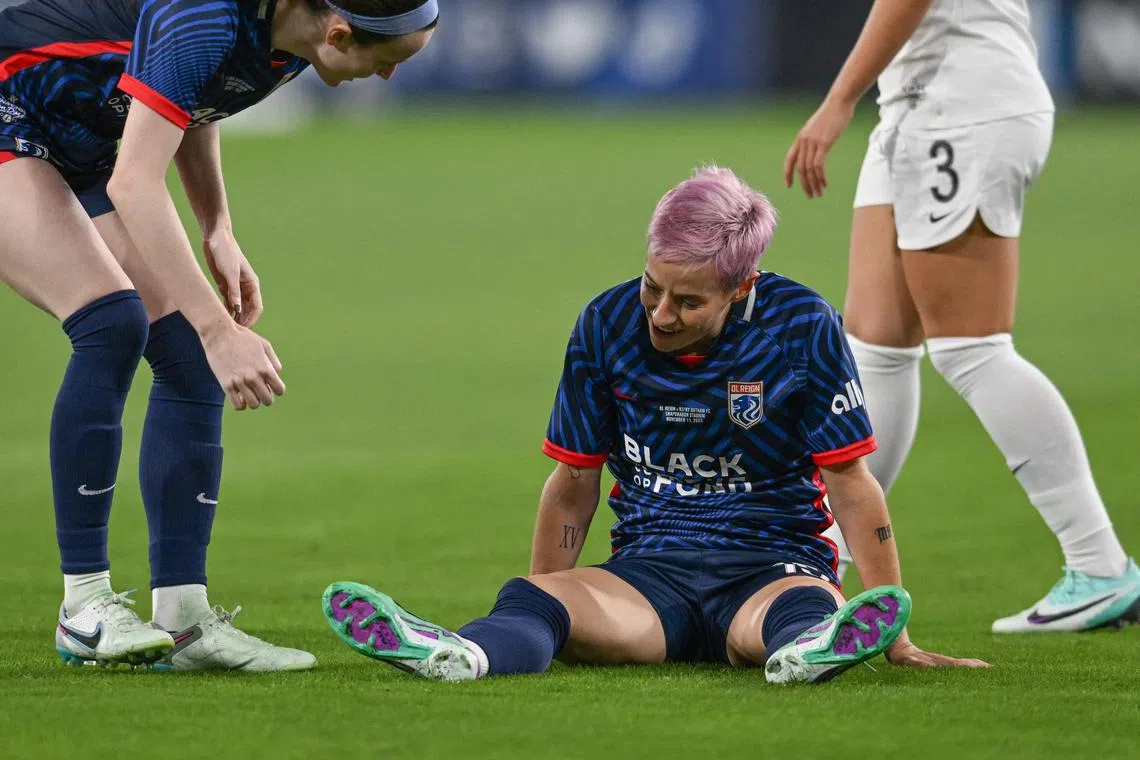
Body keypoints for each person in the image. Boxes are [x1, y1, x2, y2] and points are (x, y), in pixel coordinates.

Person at [321, 166, 988, 683]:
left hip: (769, 568)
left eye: (688, 301)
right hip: (644, 578)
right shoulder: (606, 325)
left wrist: (897, 636)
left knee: (802, 611)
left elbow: (849, 480)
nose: (661, 315)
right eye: (652, 287)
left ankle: (813, 649)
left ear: (741, 287)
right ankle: (459, 653)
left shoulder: (800, 325)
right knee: (528, 601)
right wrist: (550, 594)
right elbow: (573, 481)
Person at [0, 0, 438, 670]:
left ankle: (183, 625)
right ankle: (83, 609)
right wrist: (217, 328)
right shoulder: (207, 15)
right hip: (14, 115)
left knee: (186, 357)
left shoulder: (295, 40)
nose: (383, 78)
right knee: (115, 322)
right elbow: (137, 182)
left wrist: (218, 225)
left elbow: (189, 102)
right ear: (340, 32)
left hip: (83, 137)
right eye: (387, 61)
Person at [783, 0, 1139, 633]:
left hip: (963, 105)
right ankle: (824, 555)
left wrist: (839, 99)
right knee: (876, 347)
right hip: (920, 103)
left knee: (973, 348)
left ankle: (1100, 564)